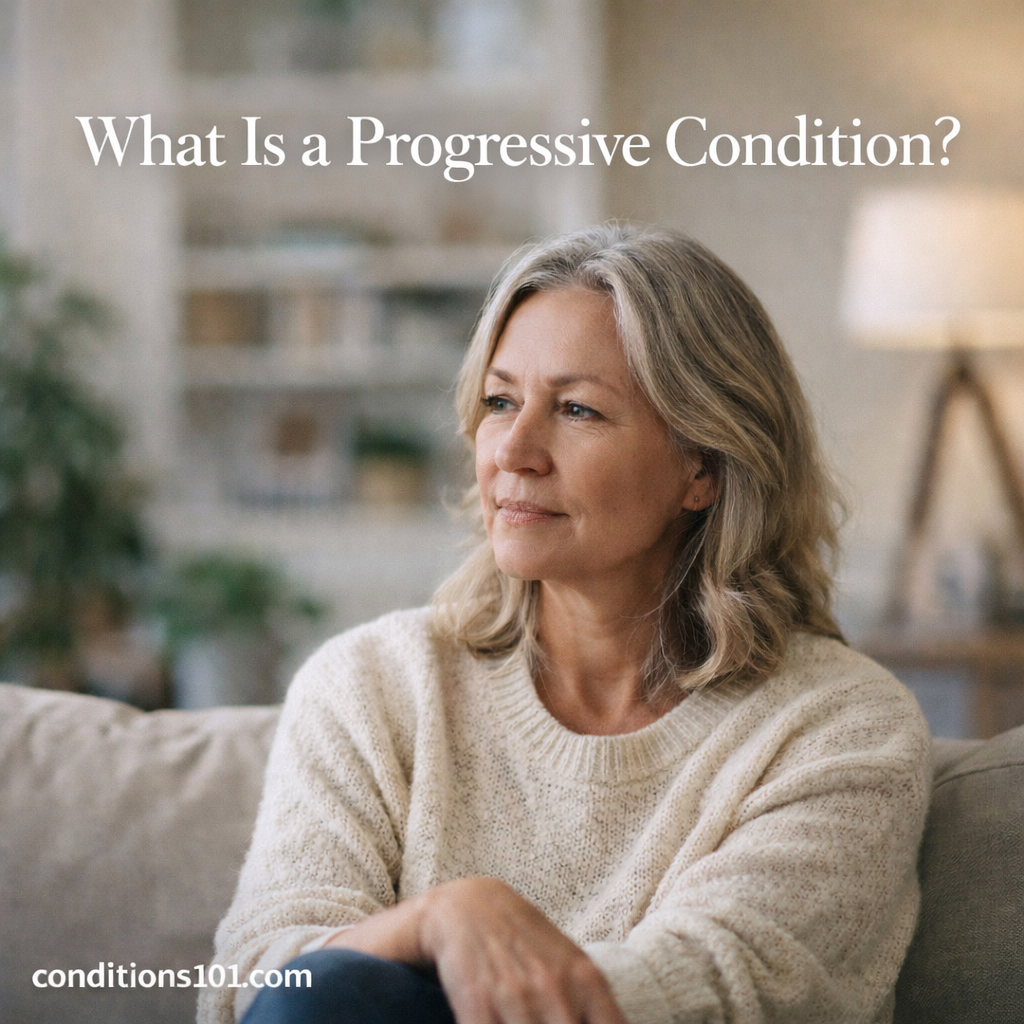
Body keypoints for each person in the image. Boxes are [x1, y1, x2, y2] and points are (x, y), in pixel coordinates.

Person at [199, 225, 931, 1024]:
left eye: (577, 409)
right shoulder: (371, 685)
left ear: (705, 468)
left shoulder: (841, 727)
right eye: (500, 401)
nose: (513, 449)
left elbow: (723, 990)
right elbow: (252, 985)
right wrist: (440, 917)